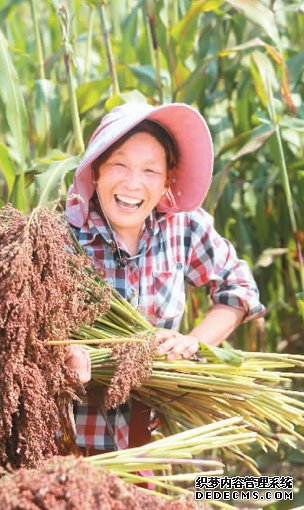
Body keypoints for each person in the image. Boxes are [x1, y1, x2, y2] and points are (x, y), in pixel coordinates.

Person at [64, 101, 265, 454]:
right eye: (119, 165)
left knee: (237, 490)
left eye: (150, 171)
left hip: (156, 440)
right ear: (96, 171)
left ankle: (271, 487)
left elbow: (239, 287)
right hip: (73, 440)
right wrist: (65, 352)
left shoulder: (184, 227)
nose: (132, 183)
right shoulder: (61, 238)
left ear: (168, 180)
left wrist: (194, 342)